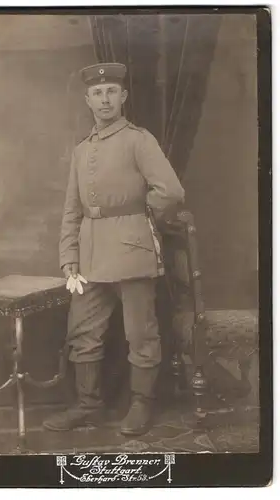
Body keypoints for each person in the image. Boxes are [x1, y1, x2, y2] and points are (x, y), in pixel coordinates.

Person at [43, 62, 184, 436]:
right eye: (97, 93)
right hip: (88, 256)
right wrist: (69, 258)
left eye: (111, 92)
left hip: (131, 248)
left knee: (141, 333)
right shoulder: (80, 151)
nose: (104, 99)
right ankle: (88, 405)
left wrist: (141, 219)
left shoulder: (139, 140)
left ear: (122, 97)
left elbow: (170, 191)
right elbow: (72, 209)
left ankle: (141, 406)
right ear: (87, 100)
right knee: (83, 332)